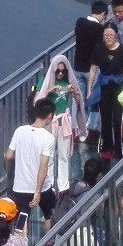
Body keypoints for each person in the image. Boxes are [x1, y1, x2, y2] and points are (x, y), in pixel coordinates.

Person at [34, 57, 87, 196]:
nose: (60, 74)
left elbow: (78, 100)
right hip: (49, 122)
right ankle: (49, 185)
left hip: (63, 121)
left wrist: (75, 92)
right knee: (49, 156)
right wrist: (50, 89)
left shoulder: (67, 82)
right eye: (58, 71)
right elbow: (38, 101)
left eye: (63, 71)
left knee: (63, 155)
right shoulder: (44, 81)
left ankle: (63, 186)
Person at [5, 97, 57, 229]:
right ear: (50, 116)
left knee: (21, 221)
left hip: (20, 187)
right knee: (49, 215)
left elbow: (9, 155)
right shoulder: (48, 138)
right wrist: (38, 192)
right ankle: (49, 245)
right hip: (41, 188)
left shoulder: (20, 131)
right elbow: (43, 166)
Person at [89, 22, 123, 159]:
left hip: (118, 87)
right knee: (105, 118)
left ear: (116, 35)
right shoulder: (98, 48)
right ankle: (105, 147)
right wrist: (89, 89)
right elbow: (93, 69)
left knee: (118, 119)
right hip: (104, 86)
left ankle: (119, 149)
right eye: (106, 35)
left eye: (111, 35)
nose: (108, 37)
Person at [73, 0, 109, 83]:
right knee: (93, 95)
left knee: (78, 95)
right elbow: (99, 49)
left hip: (77, 67)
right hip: (91, 69)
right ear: (103, 13)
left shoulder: (80, 22)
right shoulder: (100, 29)